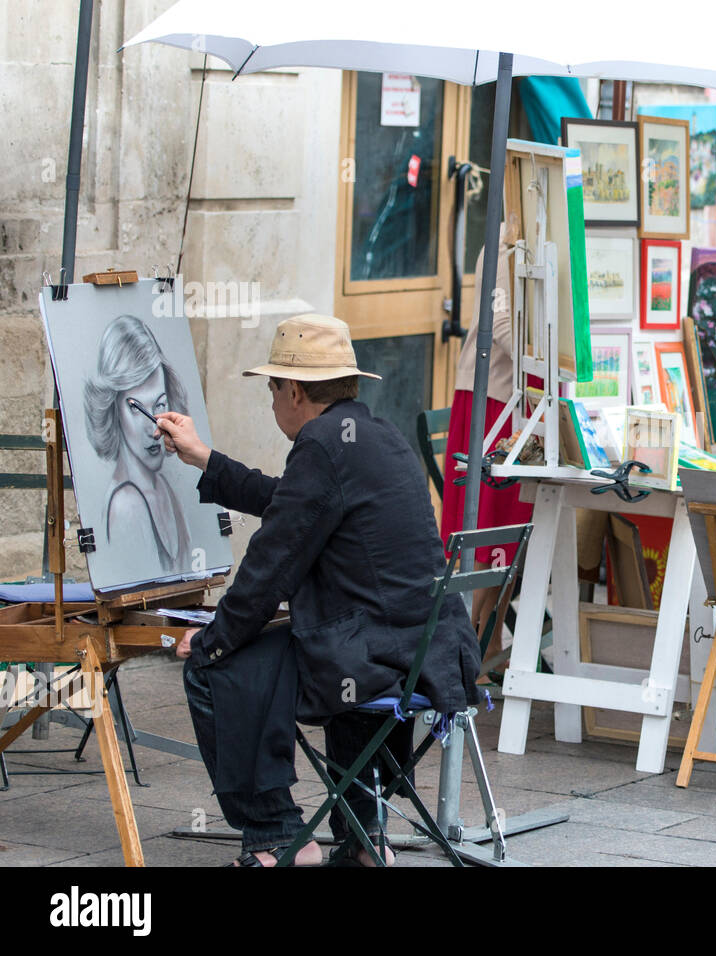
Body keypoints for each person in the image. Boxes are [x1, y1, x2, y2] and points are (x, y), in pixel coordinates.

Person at [154, 313, 481, 867]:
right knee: (331, 674)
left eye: (273, 387)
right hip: (428, 652)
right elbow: (293, 504)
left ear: (296, 390)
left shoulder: (323, 445)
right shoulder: (378, 436)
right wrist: (205, 458)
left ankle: (277, 837)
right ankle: (363, 837)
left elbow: (271, 563)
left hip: (374, 652)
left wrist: (214, 640)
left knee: (218, 672)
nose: (271, 400)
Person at [441, 223, 534, 676]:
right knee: (487, 526)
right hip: (492, 396)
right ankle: (474, 640)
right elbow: (498, 325)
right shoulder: (500, 243)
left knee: (512, 524)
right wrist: (549, 357)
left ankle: (491, 633)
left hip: (521, 400)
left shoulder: (538, 239)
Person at [83, 315, 192, 576]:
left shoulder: (165, 489)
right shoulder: (126, 506)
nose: (152, 426)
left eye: (160, 404)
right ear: (113, 410)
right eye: (136, 408)